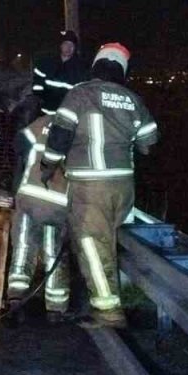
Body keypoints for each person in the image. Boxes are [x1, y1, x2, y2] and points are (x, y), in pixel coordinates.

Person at [38, 43, 159, 328]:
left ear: (96, 67)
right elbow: (148, 145)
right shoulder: (133, 99)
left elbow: (59, 136)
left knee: (92, 245)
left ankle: (108, 312)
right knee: (103, 244)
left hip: (91, 187)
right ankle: (105, 299)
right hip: (124, 187)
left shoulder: (80, 95)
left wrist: (48, 167)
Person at [6, 115, 72, 325]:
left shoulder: (44, 122)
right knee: (54, 256)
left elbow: (18, 144)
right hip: (58, 205)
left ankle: (15, 300)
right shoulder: (85, 133)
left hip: (29, 198)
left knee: (24, 248)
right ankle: (55, 310)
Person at [31, 29, 89, 119]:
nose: (68, 48)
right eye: (66, 44)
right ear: (60, 45)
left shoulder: (81, 68)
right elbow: (37, 86)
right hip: (45, 115)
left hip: (68, 117)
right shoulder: (45, 64)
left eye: (71, 45)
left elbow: (82, 93)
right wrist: (44, 99)